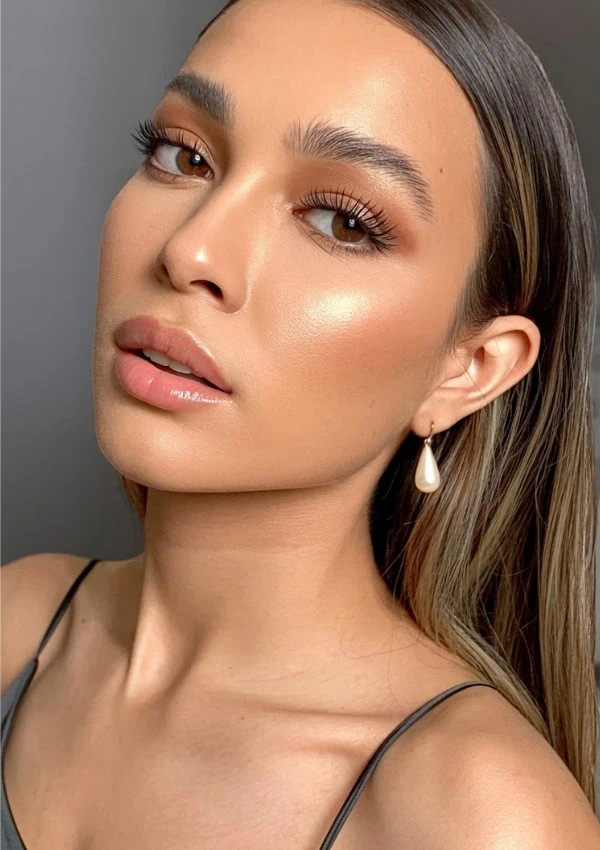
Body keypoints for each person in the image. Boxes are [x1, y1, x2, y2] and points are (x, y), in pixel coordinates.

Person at [2, 0, 599, 846]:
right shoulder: (21, 624)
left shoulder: (477, 818)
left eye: (342, 222)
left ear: (468, 370)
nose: (192, 251)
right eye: (186, 154)